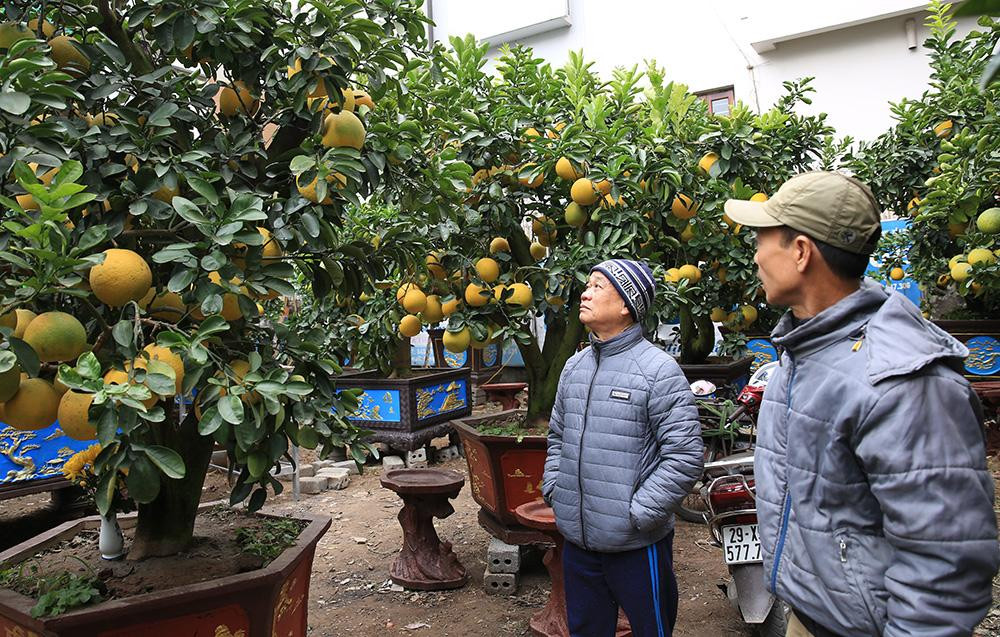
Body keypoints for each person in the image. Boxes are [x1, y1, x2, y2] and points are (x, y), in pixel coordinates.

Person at [723, 171, 1000, 637]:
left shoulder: (901, 381)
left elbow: (944, 569)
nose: (754, 256)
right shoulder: (805, 350)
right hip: (809, 614)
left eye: (761, 239)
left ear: (800, 251)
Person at [541, 258, 704, 637]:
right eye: (587, 286)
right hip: (579, 542)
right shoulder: (574, 368)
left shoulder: (658, 370)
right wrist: (555, 489)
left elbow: (684, 456)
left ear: (627, 305)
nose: (585, 294)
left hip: (636, 544)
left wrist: (639, 513)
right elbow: (558, 437)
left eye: (598, 286)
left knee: (651, 630)